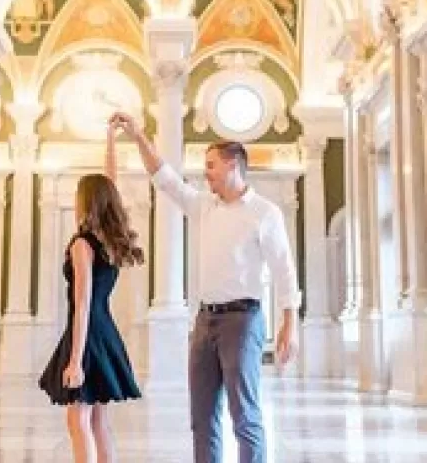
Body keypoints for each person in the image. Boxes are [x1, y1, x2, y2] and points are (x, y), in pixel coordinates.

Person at [109, 111, 300, 463]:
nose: (204, 172)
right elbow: (164, 177)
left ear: (232, 166)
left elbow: (284, 269)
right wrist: (138, 136)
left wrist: (290, 324)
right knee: (202, 419)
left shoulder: (264, 212)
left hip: (242, 322)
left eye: (210, 165)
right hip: (204, 322)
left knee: (245, 417)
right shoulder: (203, 206)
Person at [39, 123, 144, 463]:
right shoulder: (108, 243)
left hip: (87, 334)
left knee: (78, 418)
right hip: (105, 330)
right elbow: (110, 184)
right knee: (98, 420)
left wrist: (74, 360)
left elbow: (81, 304)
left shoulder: (83, 245)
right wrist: (112, 140)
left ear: (86, 202)